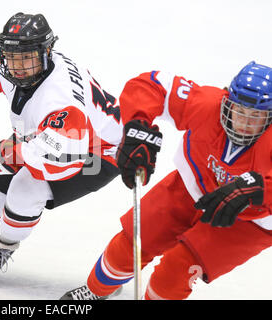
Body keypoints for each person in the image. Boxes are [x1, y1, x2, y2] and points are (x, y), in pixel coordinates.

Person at [0, 12, 132, 279]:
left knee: (26, 187)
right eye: (12, 57)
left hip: (98, 153)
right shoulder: (13, 61)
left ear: (47, 52)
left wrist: (6, 154)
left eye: (26, 58)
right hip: (54, 136)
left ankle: (3, 247)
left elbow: (59, 157)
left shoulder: (60, 99)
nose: (17, 66)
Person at [61, 61, 272, 300]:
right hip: (192, 187)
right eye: (240, 111)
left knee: (175, 271)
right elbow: (154, 85)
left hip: (247, 219)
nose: (244, 123)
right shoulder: (207, 105)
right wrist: (137, 126)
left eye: (257, 116)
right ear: (227, 101)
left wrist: (260, 190)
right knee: (132, 243)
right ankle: (95, 292)